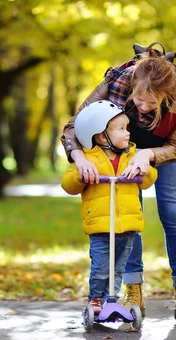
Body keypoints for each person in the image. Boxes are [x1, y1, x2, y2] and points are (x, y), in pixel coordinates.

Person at [61, 42, 176, 322]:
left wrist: (147, 155)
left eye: (153, 103)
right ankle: (133, 289)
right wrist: (80, 158)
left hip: (163, 151)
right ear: (132, 87)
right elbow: (72, 126)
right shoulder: (115, 83)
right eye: (139, 99)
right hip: (121, 150)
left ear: (167, 95)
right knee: (124, 215)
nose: (144, 106)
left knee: (175, 216)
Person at [61, 100, 157, 314]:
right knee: (102, 267)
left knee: (118, 268)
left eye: (127, 128)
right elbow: (68, 184)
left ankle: (110, 301)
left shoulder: (131, 157)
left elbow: (150, 179)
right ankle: (96, 299)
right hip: (101, 225)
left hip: (127, 226)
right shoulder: (87, 159)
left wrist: (144, 170)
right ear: (102, 136)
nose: (128, 133)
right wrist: (81, 174)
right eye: (122, 129)